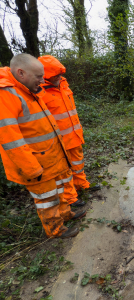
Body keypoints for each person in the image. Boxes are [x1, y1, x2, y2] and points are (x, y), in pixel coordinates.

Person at [0, 54, 85, 238]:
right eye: (39, 76)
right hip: (36, 163)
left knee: (61, 189)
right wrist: (31, 169)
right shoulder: (6, 94)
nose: (42, 80)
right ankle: (55, 229)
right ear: (21, 73)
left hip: (51, 155)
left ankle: (65, 215)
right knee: (47, 199)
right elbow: (9, 139)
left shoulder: (27, 89)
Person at [38, 55, 100, 207]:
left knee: (78, 162)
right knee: (63, 171)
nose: (59, 77)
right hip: (58, 141)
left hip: (74, 135)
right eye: (55, 75)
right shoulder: (39, 92)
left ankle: (82, 185)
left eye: (60, 74)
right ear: (45, 76)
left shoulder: (64, 85)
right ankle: (70, 198)